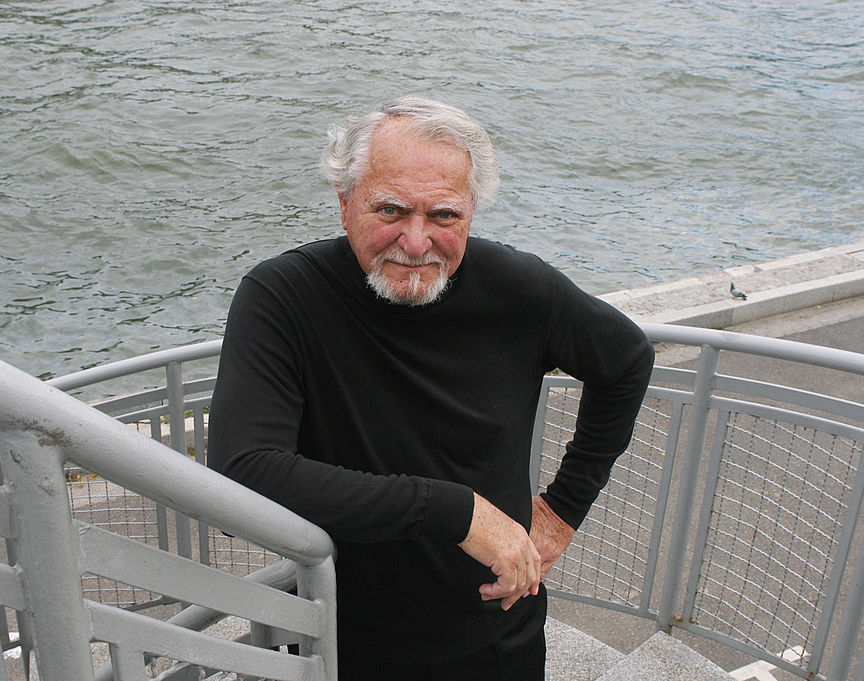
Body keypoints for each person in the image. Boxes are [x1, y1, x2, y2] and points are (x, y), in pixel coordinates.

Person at [207, 96, 654, 681]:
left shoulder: (519, 290)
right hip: (339, 640)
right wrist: (455, 511)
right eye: (390, 210)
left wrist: (562, 511)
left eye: (443, 216)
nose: (416, 242)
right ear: (344, 204)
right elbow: (243, 474)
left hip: (498, 637)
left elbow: (626, 361)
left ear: (471, 213)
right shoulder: (283, 297)